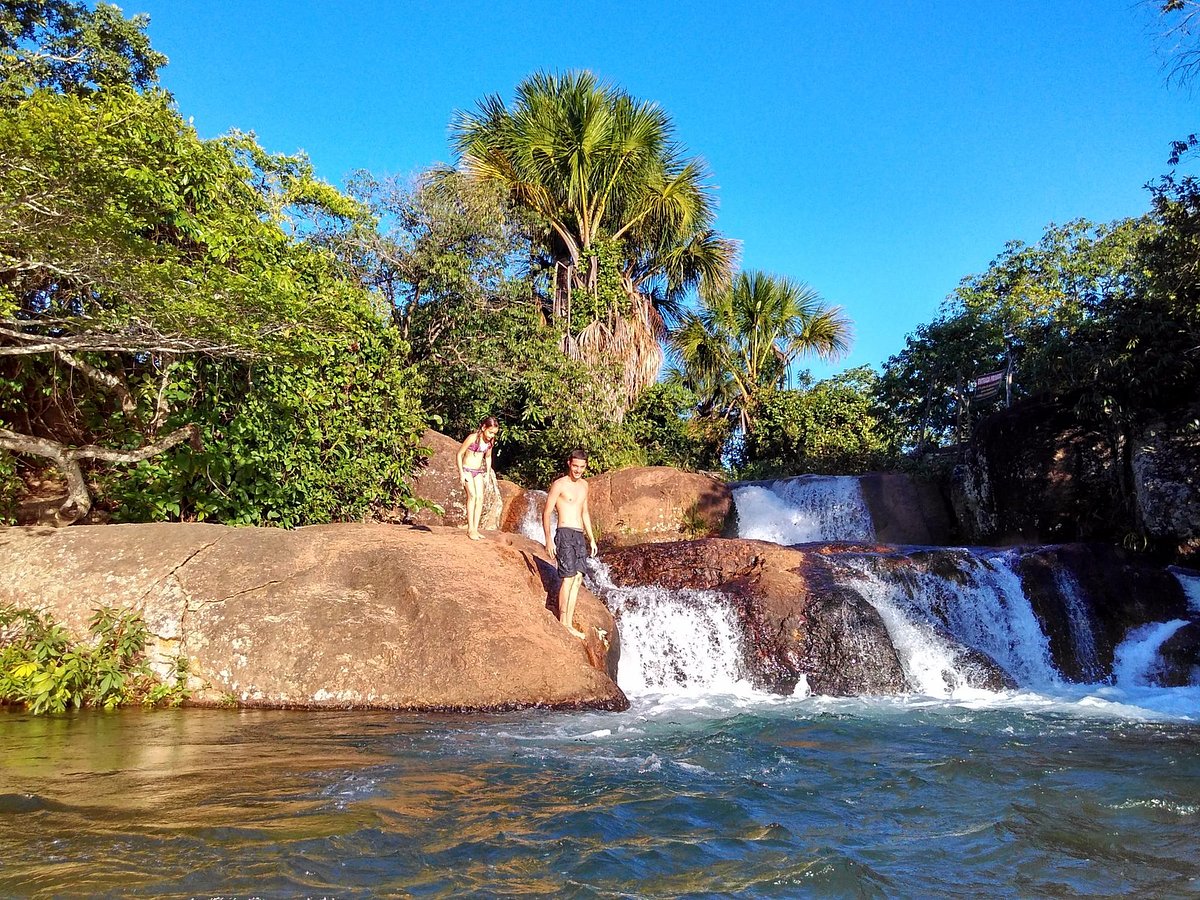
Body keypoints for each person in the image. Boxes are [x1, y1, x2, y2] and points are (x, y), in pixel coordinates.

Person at [543, 448, 597, 640]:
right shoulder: (559, 484)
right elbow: (546, 512)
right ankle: (563, 622)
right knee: (568, 577)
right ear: (569, 463)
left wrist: (591, 538)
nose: (578, 470)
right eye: (575, 466)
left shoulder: (584, 486)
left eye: (581, 467)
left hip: (579, 534)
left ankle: (569, 621)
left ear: (585, 466)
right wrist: (548, 539)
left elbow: (584, 512)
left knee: (578, 578)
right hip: (564, 533)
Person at [456, 417, 500, 540]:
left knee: (480, 498)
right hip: (467, 469)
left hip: (478, 471)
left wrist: (488, 473)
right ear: (484, 427)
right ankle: (470, 529)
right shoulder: (473, 438)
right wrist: (461, 473)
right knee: (472, 496)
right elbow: (459, 454)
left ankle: (475, 529)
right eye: (490, 432)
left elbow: (488, 457)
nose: (491, 436)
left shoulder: (490, 442)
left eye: (494, 433)